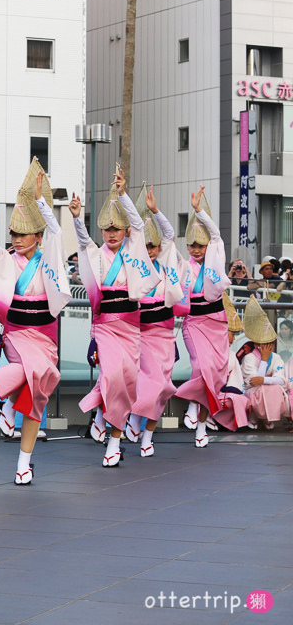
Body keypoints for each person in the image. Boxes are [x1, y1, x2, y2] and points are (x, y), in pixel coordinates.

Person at [0, 159, 69, 483]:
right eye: (13, 233)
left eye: (23, 234)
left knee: (37, 396)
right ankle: (4, 399)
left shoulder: (48, 258)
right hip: (17, 334)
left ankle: (23, 463)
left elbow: (58, 232)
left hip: (44, 334)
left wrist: (42, 202)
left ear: (37, 234)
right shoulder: (8, 259)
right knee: (34, 373)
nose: (17, 239)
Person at [72, 166, 159, 466]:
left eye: (116, 229)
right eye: (106, 229)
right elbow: (83, 242)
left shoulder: (133, 249)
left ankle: (115, 437)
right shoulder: (96, 256)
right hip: (107, 327)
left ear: (124, 232)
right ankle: (106, 423)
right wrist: (74, 218)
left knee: (127, 381)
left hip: (131, 326)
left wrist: (122, 195)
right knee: (111, 376)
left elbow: (138, 222)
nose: (111, 234)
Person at [124, 186, 184, 457]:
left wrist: (156, 211)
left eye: (153, 245)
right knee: (147, 385)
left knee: (162, 389)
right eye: (145, 245)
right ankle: (135, 419)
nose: (149, 250)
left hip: (165, 336)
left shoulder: (167, 266)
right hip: (140, 335)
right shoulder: (131, 269)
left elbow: (170, 235)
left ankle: (147, 433)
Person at [174, 186, 232, 447]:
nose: (195, 250)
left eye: (200, 245)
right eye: (191, 245)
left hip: (217, 323)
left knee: (216, 376)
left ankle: (200, 425)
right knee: (201, 367)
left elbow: (217, 235)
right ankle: (191, 407)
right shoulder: (183, 266)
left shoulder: (215, 261)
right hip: (194, 323)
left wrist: (199, 211)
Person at [241, 297, 290, 430]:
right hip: (253, 391)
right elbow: (253, 382)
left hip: (267, 387)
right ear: (256, 344)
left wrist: (263, 379)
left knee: (274, 389)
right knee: (263, 390)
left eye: (270, 343)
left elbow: (281, 380)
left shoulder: (276, 357)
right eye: (265, 343)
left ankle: (267, 418)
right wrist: (263, 360)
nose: (269, 346)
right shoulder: (249, 358)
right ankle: (255, 416)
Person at [220, 295, 250, 429]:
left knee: (239, 399)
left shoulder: (232, 354)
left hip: (226, 392)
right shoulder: (209, 351)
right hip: (210, 394)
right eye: (232, 334)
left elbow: (236, 382)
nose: (234, 338)